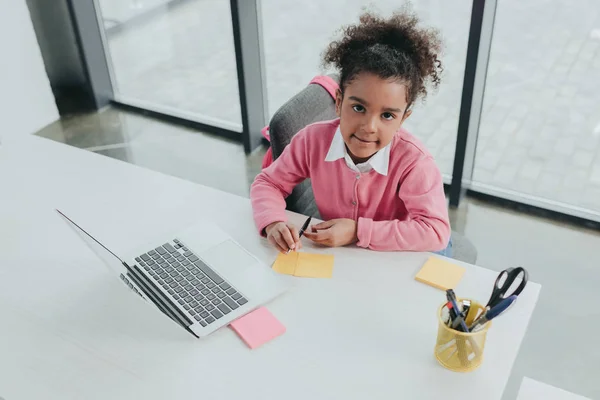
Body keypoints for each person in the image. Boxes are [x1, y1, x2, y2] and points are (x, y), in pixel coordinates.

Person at [250, 8, 452, 256]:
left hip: (405, 253)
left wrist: (358, 231)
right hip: (349, 259)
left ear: (403, 119)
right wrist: (272, 221)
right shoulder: (311, 141)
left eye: (387, 115)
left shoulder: (415, 162)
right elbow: (268, 182)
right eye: (358, 107)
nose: (369, 127)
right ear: (338, 102)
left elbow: (435, 232)